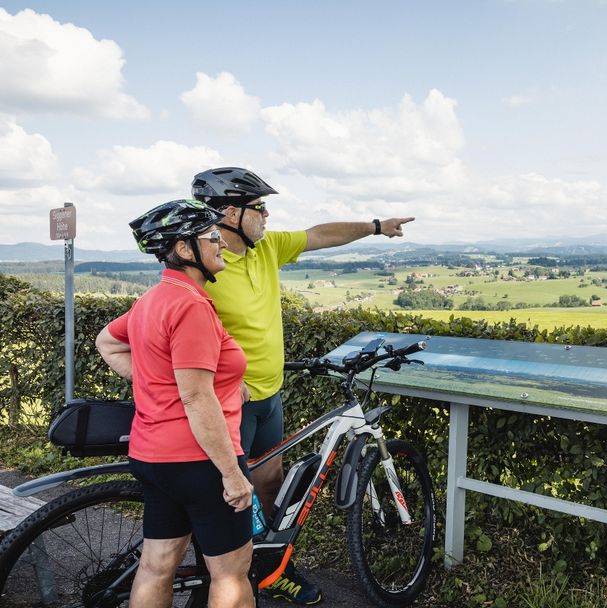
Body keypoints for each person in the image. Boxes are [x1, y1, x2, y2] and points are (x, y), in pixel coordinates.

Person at [191, 166, 414, 605]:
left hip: (268, 397)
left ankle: (272, 570)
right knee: (228, 500)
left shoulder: (266, 247)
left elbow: (319, 235)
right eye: (259, 207)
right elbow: (170, 330)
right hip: (230, 404)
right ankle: (221, 582)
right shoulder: (205, 265)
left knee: (270, 485)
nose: (267, 214)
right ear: (230, 213)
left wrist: (376, 227)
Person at [95, 199, 254, 608]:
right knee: (231, 575)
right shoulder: (191, 306)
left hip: (152, 456)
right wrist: (232, 474)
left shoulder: (153, 299)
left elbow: (107, 342)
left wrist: (158, 383)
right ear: (185, 249)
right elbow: (196, 395)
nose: (222, 243)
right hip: (200, 461)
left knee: (157, 565)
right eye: (213, 236)